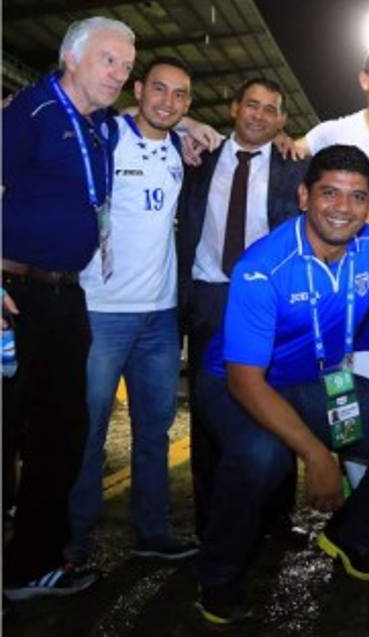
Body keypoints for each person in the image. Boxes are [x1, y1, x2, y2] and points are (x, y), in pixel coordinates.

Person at [193, 144, 369, 623]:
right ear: (305, 196)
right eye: (330, 193)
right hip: (238, 384)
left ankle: (351, 536)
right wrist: (316, 454)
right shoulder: (262, 266)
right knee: (261, 458)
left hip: (322, 382)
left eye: (356, 197)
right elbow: (247, 381)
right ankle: (219, 574)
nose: (342, 209)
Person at [2, 16, 135, 599]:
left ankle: (31, 566)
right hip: (13, 296)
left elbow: (153, 121)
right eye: (110, 60)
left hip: (65, 296)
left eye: (128, 65)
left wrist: (198, 125)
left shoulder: (100, 125)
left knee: (62, 431)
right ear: (72, 59)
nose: (121, 73)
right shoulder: (29, 112)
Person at [67, 56, 198, 567]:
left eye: (180, 95)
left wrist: (194, 127)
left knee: (153, 431)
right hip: (102, 311)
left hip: (160, 319)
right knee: (90, 432)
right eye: (159, 90)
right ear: (138, 89)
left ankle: (152, 530)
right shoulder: (107, 134)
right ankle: (73, 543)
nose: (168, 102)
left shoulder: (182, 153)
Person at [177, 78, 310, 541]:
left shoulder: (295, 167)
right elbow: (150, 118)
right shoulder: (199, 156)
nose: (258, 115)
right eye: (251, 105)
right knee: (210, 412)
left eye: (269, 109)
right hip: (210, 296)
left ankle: (276, 519)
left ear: (281, 121)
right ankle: (211, 521)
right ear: (234, 108)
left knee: (277, 402)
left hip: (269, 302)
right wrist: (189, 125)